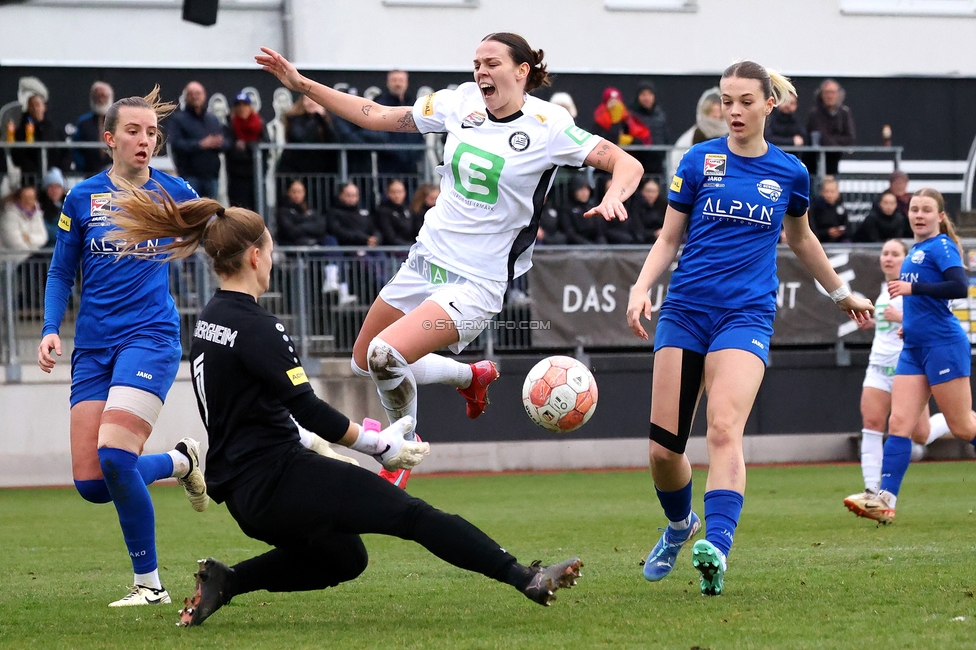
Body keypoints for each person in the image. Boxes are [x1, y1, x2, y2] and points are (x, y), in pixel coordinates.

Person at [101, 186, 583, 627]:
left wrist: (315, 444)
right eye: (269, 249)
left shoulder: (209, 321)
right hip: (277, 481)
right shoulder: (259, 327)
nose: (273, 258)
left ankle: (227, 581)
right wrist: (380, 447)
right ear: (254, 255)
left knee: (345, 558)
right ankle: (525, 577)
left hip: (247, 495)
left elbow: (259, 409)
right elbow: (309, 409)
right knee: (413, 516)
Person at [257, 32, 643, 488]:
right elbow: (378, 114)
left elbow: (627, 163)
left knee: (386, 355)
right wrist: (304, 86)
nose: (480, 71)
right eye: (476, 63)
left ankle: (401, 448)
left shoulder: (549, 124)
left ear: (522, 71)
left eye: (492, 63)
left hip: (476, 281)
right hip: (426, 259)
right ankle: (468, 376)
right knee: (365, 359)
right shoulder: (459, 102)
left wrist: (615, 196)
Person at [626, 61, 873, 597]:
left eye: (743, 101)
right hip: (686, 310)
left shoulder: (790, 172)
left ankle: (717, 543)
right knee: (664, 451)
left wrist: (840, 293)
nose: (732, 110)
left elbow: (802, 239)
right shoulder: (698, 160)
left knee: (722, 429)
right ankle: (679, 526)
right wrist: (641, 286)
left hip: (746, 315)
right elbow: (670, 239)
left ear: (769, 105)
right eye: (725, 101)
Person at [36, 87, 209, 608]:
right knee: (92, 481)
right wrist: (49, 327)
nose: (144, 140)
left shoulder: (174, 190)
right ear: (109, 138)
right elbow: (62, 268)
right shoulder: (81, 197)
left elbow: (218, 232)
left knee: (114, 455)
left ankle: (149, 586)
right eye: (133, 131)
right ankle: (181, 462)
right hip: (92, 346)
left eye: (151, 132)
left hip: (150, 338)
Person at [844, 189, 976, 525]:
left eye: (926, 210)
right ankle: (885, 500)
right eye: (914, 209)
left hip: (943, 345)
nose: (919, 215)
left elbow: (959, 287)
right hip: (915, 347)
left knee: (962, 427)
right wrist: (912, 324)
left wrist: (914, 289)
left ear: (940, 216)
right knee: (898, 424)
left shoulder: (942, 246)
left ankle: (885, 498)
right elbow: (925, 306)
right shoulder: (916, 250)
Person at [845, 239, 952, 503]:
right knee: (871, 424)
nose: (888, 258)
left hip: (909, 370)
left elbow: (938, 318)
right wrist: (872, 322)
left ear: (906, 259)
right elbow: (887, 324)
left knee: (921, 434)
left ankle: (959, 419)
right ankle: (872, 492)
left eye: (895, 254)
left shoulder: (914, 288)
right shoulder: (884, 292)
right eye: (885, 253)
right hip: (878, 367)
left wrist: (901, 318)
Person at [168, 81, 226, 198]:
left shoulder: (212, 119)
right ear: (186, 97)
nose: (195, 97)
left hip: (212, 177)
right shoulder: (179, 119)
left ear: (204, 95)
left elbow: (226, 143)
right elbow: (176, 144)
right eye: (191, 94)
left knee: (212, 214)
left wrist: (219, 143)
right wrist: (200, 144)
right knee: (192, 213)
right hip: (190, 177)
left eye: (198, 93)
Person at [373, 70, 424, 175]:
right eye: (394, 80)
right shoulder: (381, 103)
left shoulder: (414, 103)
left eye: (401, 80)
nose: (398, 84)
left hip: (412, 163)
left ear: (406, 83)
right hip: (388, 163)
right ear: (388, 83)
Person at [804, 79, 855, 176]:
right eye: (827, 92)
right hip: (815, 162)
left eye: (833, 92)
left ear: (839, 94)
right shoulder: (815, 113)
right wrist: (837, 141)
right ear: (821, 94)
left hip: (835, 160)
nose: (830, 96)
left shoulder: (844, 113)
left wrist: (833, 142)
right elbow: (821, 137)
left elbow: (850, 138)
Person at [278, 94, 339, 175]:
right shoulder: (294, 118)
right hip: (297, 167)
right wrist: (316, 118)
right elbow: (301, 137)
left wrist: (323, 119)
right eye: (308, 100)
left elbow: (335, 140)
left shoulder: (329, 119)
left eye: (314, 100)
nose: (311, 103)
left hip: (323, 169)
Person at [225, 92, 264, 210]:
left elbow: (264, 146)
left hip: (256, 174)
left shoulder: (259, 124)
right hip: (237, 175)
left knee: (256, 207)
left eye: (245, 105)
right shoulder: (230, 125)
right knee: (238, 208)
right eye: (239, 105)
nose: (242, 108)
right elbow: (229, 148)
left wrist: (247, 146)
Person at [72, 81, 115, 175]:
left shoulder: (117, 121)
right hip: (89, 173)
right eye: (97, 96)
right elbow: (75, 147)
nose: (100, 99)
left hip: (115, 172)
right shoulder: (83, 122)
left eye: (103, 96)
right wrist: (82, 165)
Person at [630, 80, 670, 174]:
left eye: (649, 94)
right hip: (636, 162)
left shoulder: (660, 116)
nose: (646, 98)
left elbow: (665, 138)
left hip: (656, 165)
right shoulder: (630, 116)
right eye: (643, 94)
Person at [275, 179, 330, 246]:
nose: (297, 195)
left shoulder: (311, 210)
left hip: (315, 244)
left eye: (299, 192)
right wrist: (309, 224)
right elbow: (291, 231)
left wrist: (300, 226)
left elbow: (321, 228)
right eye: (294, 192)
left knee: (330, 240)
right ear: (288, 193)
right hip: (293, 246)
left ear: (304, 193)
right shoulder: (283, 212)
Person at [1, 185, 48, 263]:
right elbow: (14, 242)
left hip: (34, 258)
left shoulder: (38, 213)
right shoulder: (9, 215)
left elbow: (43, 237)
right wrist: (32, 252)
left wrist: (29, 238)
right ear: (19, 199)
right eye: (25, 197)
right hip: (12, 261)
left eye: (31, 197)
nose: (28, 201)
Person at [559, 174, 606, 245]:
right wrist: (587, 245)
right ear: (574, 191)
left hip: (595, 246)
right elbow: (569, 232)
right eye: (580, 189)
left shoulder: (593, 207)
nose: (584, 193)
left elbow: (600, 231)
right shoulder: (566, 209)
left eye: (586, 189)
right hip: (576, 247)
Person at [374, 178, 417, 246]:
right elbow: (390, 237)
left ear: (404, 193)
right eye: (393, 192)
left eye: (400, 192)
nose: (397, 195)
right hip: (393, 250)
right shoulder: (383, 212)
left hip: (412, 247)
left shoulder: (409, 209)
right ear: (388, 193)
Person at [809, 175, 849, 243]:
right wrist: (827, 233)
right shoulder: (815, 208)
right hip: (819, 243)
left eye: (832, 192)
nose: (829, 195)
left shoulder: (841, 207)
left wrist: (840, 232)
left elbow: (848, 229)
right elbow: (812, 230)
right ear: (821, 192)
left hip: (839, 243)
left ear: (838, 192)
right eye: (826, 191)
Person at [629, 177, 667, 245]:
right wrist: (654, 234)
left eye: (654, 191)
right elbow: (637, 230)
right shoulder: (635, 207)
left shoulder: (662, 206)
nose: (650, 195)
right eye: (648, 191)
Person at [38, 166, 66, 247]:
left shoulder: (70, 206)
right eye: (51, 187)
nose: (54, 190)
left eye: (58, 187)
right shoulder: (40, 207)